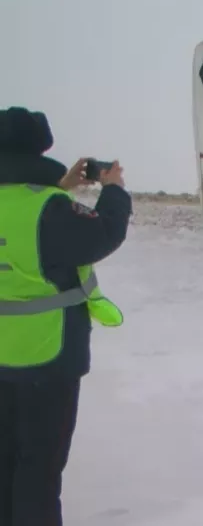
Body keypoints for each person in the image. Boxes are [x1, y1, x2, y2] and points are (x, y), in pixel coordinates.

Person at [0, 106, 132, 526]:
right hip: (47, 357)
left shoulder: (44, 201)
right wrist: (112, 188)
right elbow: (102, 233)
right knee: (39, 468)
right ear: (41, 146)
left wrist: (58, 184)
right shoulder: (51, 208)